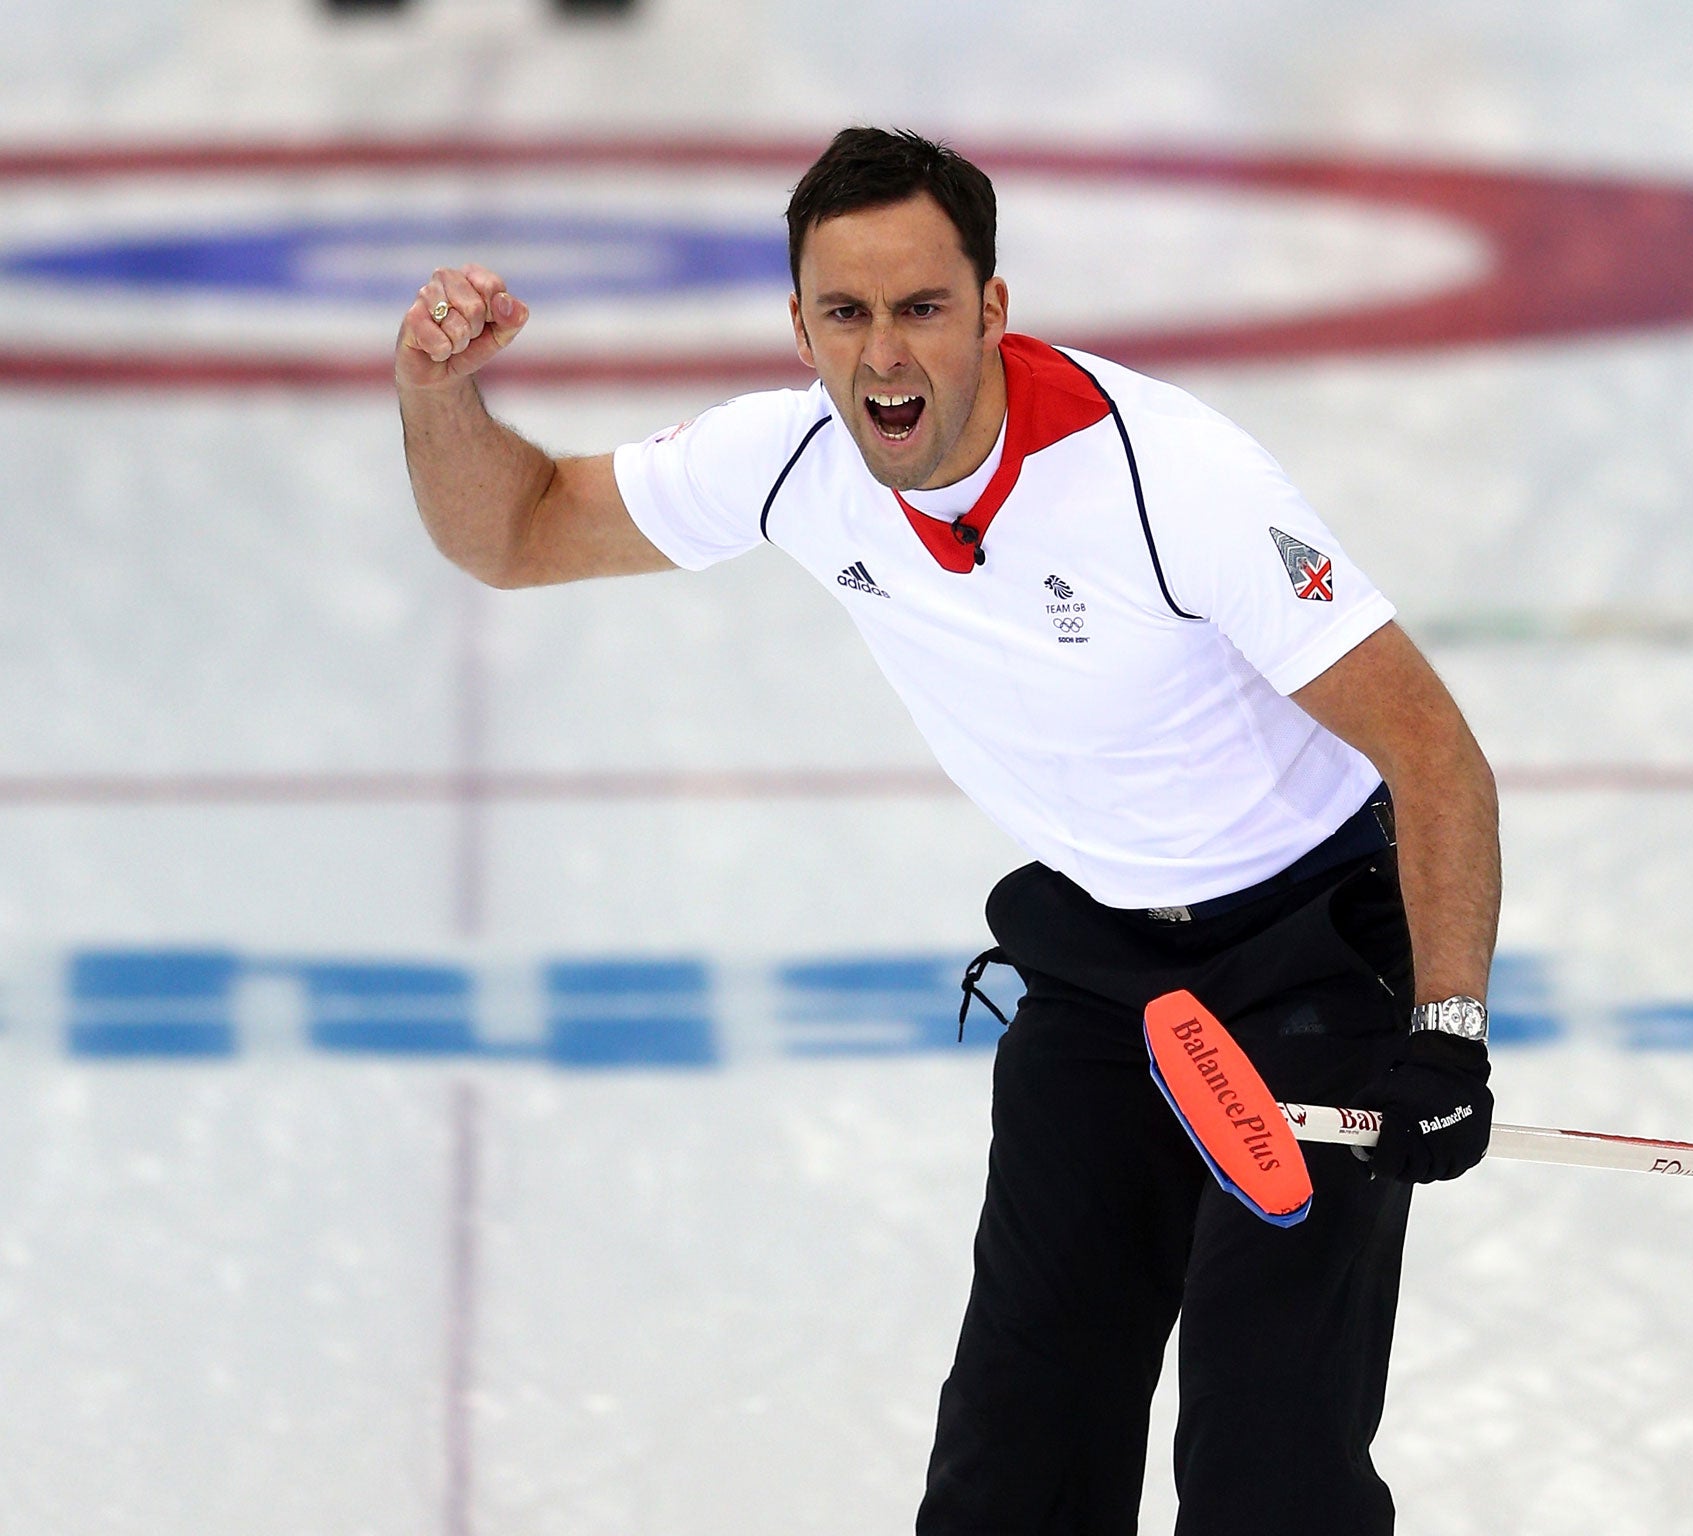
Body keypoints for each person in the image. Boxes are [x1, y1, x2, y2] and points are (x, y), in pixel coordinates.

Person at [396, 126, 1501, 1536]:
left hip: (1311, 965)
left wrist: (1448, 1030)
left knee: (1267, 1468)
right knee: (1016, 1455)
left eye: (921, 307)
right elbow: (518, 530)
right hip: (1104, 978)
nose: (885, 357)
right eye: (846, 314)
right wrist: (434, 392)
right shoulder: (792, 458)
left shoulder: (1173, 483)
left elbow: (1436, 757)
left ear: (990, 306)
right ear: (798, 325)